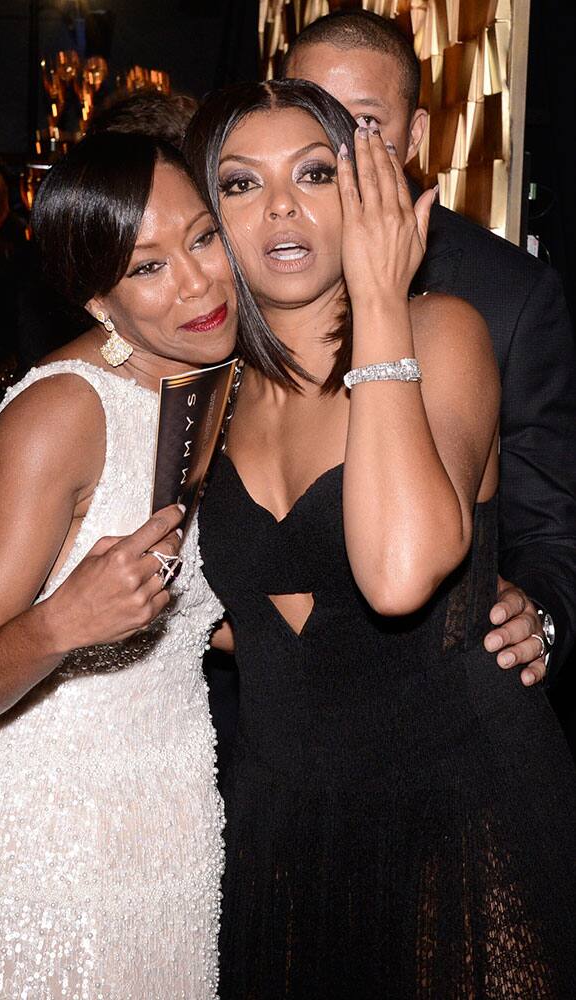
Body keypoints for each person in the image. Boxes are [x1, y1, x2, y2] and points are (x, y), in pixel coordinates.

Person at [184, 78, 576, 998]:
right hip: (281, 821)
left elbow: (398, 574)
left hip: (461, 808)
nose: (279, 205)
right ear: (210, 219)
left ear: (371, 192)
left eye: (314, 173)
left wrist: (380, 299)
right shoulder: (210, 393)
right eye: (240, 184)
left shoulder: (443, 332)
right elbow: (238, 612)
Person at [0, 132, 237, 998]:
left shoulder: (233, 378)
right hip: (14, 847)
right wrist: (61, 622)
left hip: (164, 836)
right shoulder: (63, 414)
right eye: (147, 267)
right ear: (99, 300)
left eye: (202, 238)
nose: (195, 283)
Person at [282, 9, 576, 695]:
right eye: (308, 117)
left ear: (414, 136)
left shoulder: (506, 294)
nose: (334, 151)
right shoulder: (248, 270)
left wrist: (542, 619)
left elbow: (552, 529)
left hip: (438, 692)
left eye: (364, 124)